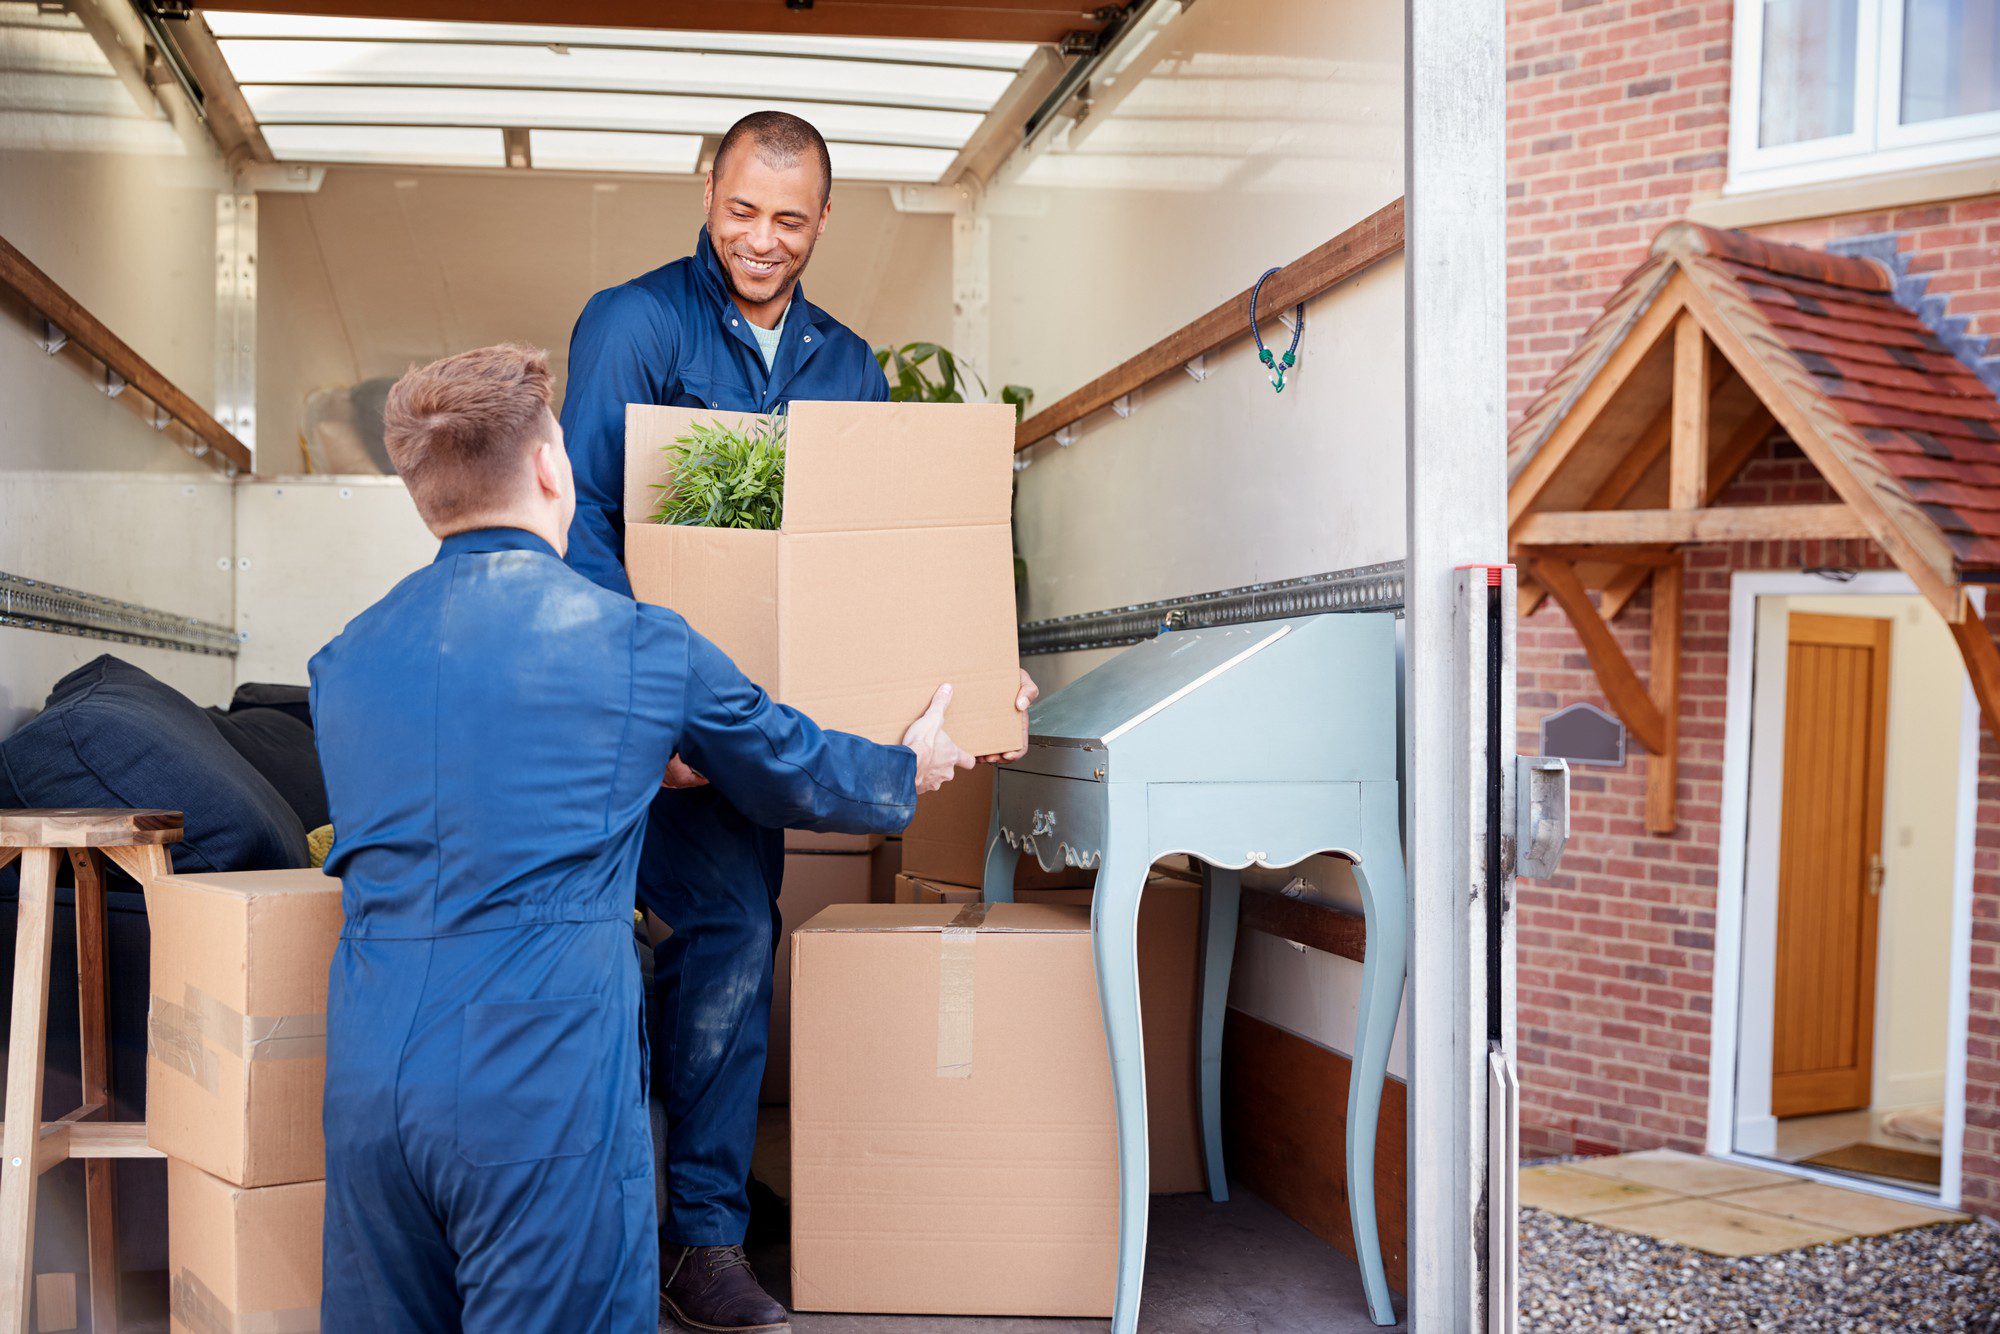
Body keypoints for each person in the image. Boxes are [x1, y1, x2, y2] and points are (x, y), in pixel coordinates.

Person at [310, 344, 973, 1330]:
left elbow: (474, 774)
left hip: (368, 1077)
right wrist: (904, 764)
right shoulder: (637, 643)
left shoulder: (343, 658)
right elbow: (788, 762)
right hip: (535, 1080)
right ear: (549, 467)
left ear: (424, 494)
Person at [558, 110, 1036, 1330]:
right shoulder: (634, 324)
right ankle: (612, 1224)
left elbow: (878, 558)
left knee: (728, 939)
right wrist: (642, 709)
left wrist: (975, 674)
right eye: (738, 211)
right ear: (704, 193)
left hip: (760, 726)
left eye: (787, 219)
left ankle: (702, 1240)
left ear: (823, 221)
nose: (759, 240)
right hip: (638, 719)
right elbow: (587, 527)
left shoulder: (849, 365)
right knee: (595, 953)